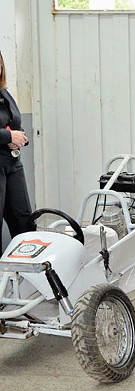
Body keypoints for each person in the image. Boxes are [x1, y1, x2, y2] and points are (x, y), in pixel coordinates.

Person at [0, 49, 33, 247]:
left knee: (24, 219)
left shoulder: (4, 93)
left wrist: (19, 137)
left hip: (13, 163)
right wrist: (7, 136)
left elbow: (16, 123)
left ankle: (28, 272)